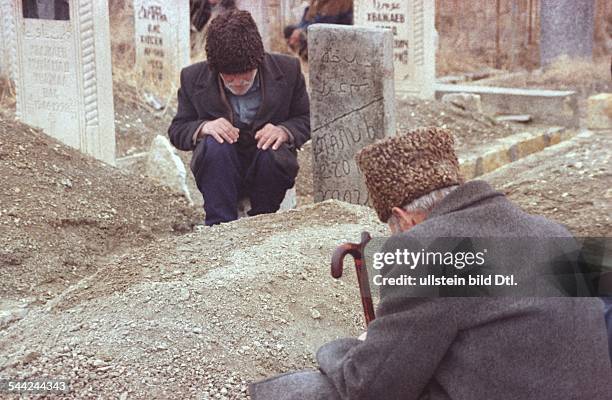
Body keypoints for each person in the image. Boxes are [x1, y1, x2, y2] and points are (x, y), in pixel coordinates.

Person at [249, 127, 612, 399]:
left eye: (392, 229)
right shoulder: (555, 233)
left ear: (404, 218)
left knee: (300, 391)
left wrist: (339, 348)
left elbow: (371, 387)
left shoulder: (427, 252)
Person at [168, 10, 310, 226]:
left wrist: (284, 130)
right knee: (215, 144)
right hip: (221, 168)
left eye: (244, 80)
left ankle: (261, 224)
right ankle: (219, 226)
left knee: (271, 148)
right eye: (229, 79)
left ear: (257, 62)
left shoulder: (287, 70)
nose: (237, 85)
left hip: (268, 168)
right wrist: (204, 127)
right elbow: (177, 129)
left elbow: (305, 118)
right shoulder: (192, 78)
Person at [284, 0, 353, 62]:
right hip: (316, 33)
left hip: (331, 40)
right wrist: (298, 30)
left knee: (301, 36)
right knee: (289, 30)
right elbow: (306, 19)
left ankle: (303, 54)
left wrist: (301, 31)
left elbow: (323, 24)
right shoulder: (319, 4)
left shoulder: (337, 4)